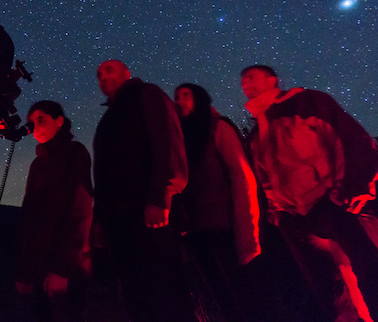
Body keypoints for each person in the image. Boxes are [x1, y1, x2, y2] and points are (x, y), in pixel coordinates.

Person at [240, 64, 378, 321]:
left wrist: (347, 193)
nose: (245, 82)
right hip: (297, 217)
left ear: (272, 80)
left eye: (251, 76)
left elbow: (349, 139)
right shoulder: (259, 131)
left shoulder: (307, 104)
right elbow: (267, 177)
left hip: (333, 204)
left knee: (368, 270)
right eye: (242, 80)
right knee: (327, 288)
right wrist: (279, 214)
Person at [92, 60, 197, 322]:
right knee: (135, 296)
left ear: (127, 73)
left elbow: (166, 142)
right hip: (118, 218)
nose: (103, 76)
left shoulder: (147, 94)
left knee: (165, 291)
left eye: (109, 70)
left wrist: (161, 195)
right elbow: (103, 172)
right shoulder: (109, 117)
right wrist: (100, 219)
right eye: (99, 74)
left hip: (147, 210)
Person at [173, 83, 260, 322]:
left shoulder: (217, 128)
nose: (180, 101)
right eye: (177, 97)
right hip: (195, 228)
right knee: (219, 294)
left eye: (186, 96)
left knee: (241, 292)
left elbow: (240, 175)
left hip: (224, 225)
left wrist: (246, 230)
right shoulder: (182, 139)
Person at [15, 101, 94, 322]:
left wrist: (63, 268)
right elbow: (28, 218)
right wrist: (23, 272)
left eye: (41, 120)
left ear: (59, 121)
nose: (34, 127)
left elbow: (80, 209)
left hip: (66, 269)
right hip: (36, 269)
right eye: (31, 123)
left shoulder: (74, 153)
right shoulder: (37, 165)